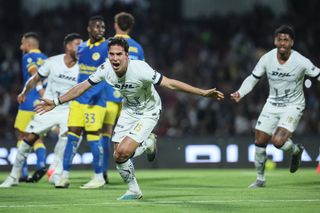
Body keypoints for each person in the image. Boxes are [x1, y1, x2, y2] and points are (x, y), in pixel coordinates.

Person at [35, 37, 224, 200]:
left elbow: (171, 84)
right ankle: (134, 189)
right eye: (112, 54)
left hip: (149, 110)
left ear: (127, 55)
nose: (115, 58)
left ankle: (145, 147)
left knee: (123, 152)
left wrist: (202, 92)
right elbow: (82, 87)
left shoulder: (140, 68)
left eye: (119, 54)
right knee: (118, 155)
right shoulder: (105, 69)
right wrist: (56, 101)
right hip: (128, 110)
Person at [230, 25, 320, 188]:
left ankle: (295, 151)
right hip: (272, 103)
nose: (282, 43)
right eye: (279, 39)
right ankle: (260, 179)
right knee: (259, 140)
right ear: (275, 41)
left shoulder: (301, 61)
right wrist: (240, 93)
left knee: (277, 141)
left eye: (286, 40)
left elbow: (318, 74)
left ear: (292, 42)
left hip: (293, 105)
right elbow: (253, 78)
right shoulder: (267, 58)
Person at [0, 33, 82, 188]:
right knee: (28, 139)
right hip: (47, 108)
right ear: (68, 46)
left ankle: (55, 173)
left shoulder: (82, 67)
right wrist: (24, 92)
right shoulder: (53, 62)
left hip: (68, 109)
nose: (81, 47)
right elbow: (35, 78)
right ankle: (13, 176)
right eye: (77, 44)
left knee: (67, 140)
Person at [55, 16, 108, 189]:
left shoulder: (107, 47)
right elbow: (81, 73)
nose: (100, 29)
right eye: (97, 26)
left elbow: (108, 75)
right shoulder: (82, 47)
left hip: (96, 101)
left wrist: (95, 93)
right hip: (78, 101)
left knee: (94, 137)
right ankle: (64, 176)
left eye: (103, 27)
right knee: (72, 137)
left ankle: (99, 176)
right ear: (89, 28)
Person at [100, 11, 147, 183]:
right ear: (131, 26)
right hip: (130, 99)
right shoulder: (137, 47)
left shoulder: (108, 45)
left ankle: (102, 173)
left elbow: (100, 70)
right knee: (130, 136)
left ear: (115, 25)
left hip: (109, 96)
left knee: (105, 134)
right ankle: (128, 172)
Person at [14, 32, 48, 182]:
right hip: (43, 105)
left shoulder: (27, 57)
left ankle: (23, 172)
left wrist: (40, 90)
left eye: (22, 43)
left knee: (21, 135)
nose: (21, 46)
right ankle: (41, 164)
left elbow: (35, 74)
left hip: (29, 102)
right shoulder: (47, 59)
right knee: (37, 137)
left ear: (28, 44)